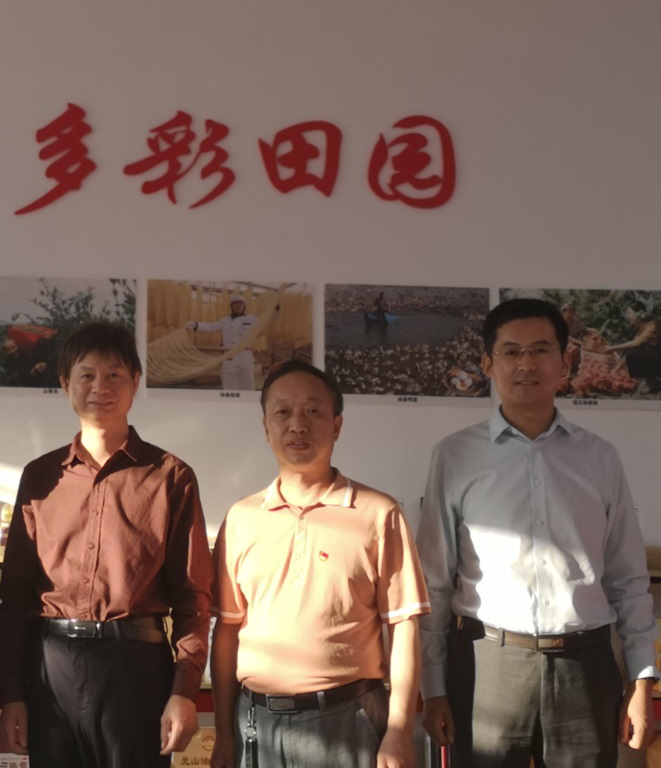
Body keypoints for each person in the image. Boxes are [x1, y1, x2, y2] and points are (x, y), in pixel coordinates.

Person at [417, 298, 659, 767]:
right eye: (511, 351)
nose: (526, 364)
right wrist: (435, 687)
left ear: (565, 362)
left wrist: (641, 680)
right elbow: (435, 582)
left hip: (584, 667)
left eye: (541, 350)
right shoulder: (455, 456)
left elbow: (628, 579)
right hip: (486, 664)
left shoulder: (599, 458)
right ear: (489, 364)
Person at [0, 321, 212, 768]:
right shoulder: (40, 477)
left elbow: (192, 596)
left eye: (114, 374)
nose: (101, 387)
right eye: (87, 375)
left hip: (136, 667)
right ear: (65, 383)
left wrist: (184, 691)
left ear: (135, 382)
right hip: (51, 665)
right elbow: (15, 595)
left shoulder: (171, 476)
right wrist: (12, 694)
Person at [210, 359, 428, 768]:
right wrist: (224, 733)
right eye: (283, 412)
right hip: (257, 724)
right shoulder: (241, 518)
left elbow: (404, 626)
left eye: (313, 411)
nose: (298, 424)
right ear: (266, 426)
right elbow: (226, 632)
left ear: (337, 425)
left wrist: (399, 730)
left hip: (348, 720)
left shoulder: (378, 513)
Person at [187, 296, 260, 390]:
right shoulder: (225, 321)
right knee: (229, 383)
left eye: (240, 303)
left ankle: (247, 399)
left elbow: (267, 319)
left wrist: (275, 310)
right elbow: (211, 327)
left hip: (245, 355)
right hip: (229, 355)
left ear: (244, 306)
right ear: (231, 306)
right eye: (235, 303)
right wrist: (196, 325)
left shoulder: (252, 319)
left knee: (247, 382)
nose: (238, 306)